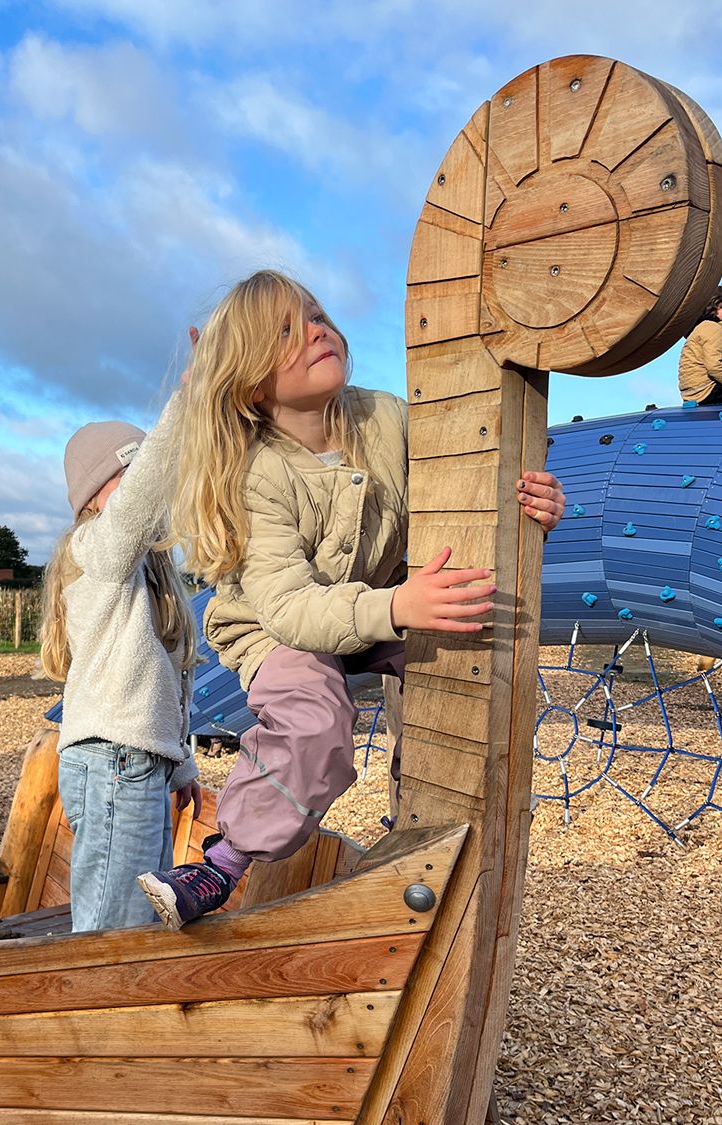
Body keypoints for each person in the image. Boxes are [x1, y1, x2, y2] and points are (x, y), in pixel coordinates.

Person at [137, 270, 565, 930]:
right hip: (277, 625)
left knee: (468, 639)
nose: (314, 329)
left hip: (371, 595)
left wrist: (526, 498)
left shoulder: (386, 417)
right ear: (252, 381)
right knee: (315, 720)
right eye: (285, 331)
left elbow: (467, 480)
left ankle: (423, 811)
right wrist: (396, 608)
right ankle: (224, 859)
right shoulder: (259, 472)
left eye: (314, 315)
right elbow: (292, 609)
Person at [39, 391, 202, 931]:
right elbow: (135, 505)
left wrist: (181, 766)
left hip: (138, 765)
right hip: (114, 763)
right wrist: (191, 400)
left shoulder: (151, 574)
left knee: (140, 923)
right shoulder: (95, 552)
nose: (145, 491)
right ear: (91, 501)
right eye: (126, 478)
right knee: (114, 933)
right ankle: (90, 1016)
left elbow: (166, 683)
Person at [679, 288, 722, 405]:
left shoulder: (701, 328)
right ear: (715, 308)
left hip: (695, 392)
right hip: (707, 392)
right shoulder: (711, 328)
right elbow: (714, 366)